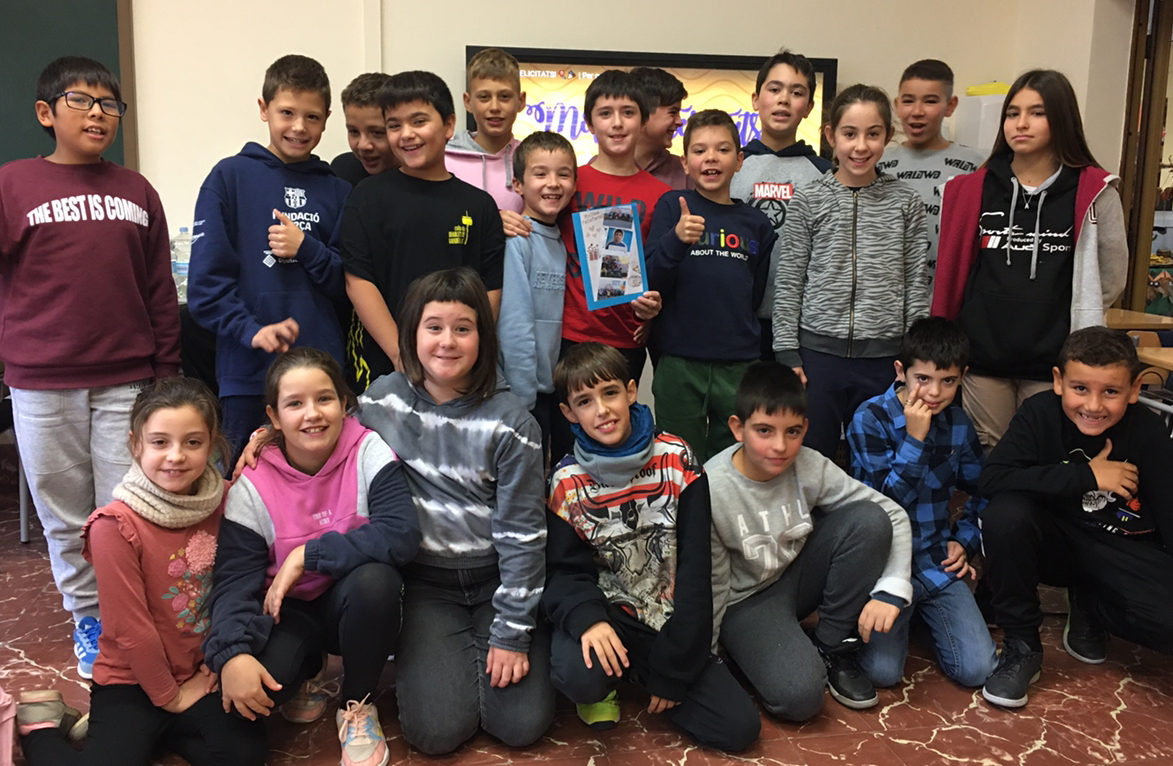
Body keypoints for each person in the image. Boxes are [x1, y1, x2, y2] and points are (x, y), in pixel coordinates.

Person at [0, 55, 181, 676]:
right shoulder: (14, 184)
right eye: (81, 101)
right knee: (65, 514)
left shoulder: (137, 191)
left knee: (126, 510)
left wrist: (166, 373)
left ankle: (133, 614)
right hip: (41, 381)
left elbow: (159, 287)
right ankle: (90, 618)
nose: (98, 114)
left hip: (127, 380)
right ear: (46, 112)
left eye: (109, 105)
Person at [16, 378, 267, 766]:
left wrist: (266, 440)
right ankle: (43, 725)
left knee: (245, 755)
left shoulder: (228, 499)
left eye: (193, 442)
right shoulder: (113, 526)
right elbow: (131, 630)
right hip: (132, 679)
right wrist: (172, 698)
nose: (175, 456)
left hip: (202, 672)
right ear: (136, 445)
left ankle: (158, 733)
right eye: (160, 442)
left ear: (213, 445)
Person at [356, 268, 554, 754]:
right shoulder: (382, 400)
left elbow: (524, 536)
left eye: (463, 328)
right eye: (434, 327)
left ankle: (503, 642)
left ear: (482, 338)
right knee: (436, 733)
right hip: (426, 585)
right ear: (412, 333)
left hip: (495, 580)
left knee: (521, 726)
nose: (447, 341)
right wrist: (269, 439)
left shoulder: (513, 424)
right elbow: (324, 438)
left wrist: (512, 632)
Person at [205, 348, 419, 766]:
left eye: (324, 398)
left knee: (378, 581)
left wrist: (309, 554)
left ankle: (357, 703)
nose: (312, 414)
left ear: (344, 403)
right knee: (258, 693)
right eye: (294, 404)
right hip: (287, 611)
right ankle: (307, 668)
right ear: (273, 415)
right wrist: (231, 654)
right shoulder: (252, 483)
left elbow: (401, 534)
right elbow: (233, 581)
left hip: (352, 602)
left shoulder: (367, 450)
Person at [544, 342, 760, 750]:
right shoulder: (565, 483)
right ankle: (610, 677)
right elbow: (563, 572)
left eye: (609, 393)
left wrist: (674, 670)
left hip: (669, 621)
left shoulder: (679, 460)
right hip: (611, 615)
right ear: (569, 414)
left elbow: (697, 568)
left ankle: (642, 671)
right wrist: (590, 620)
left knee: (739, 728)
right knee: (579, 675)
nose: (602, 410)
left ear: (630, 391)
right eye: (585, 401)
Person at [978, 327, 1173, 709]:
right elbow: (993, 478)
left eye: (1111, 392)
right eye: (1080, 388)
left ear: (1134, 389)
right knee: (1005, 515)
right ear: (1058, 381)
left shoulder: (1148, 430)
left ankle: (1092, 604)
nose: (1094, 405)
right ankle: (1022, 645)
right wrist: (1086, 476)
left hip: (1122, 545)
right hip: (1057, 542)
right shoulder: (1038, 414)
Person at [932, 69, 1128, 449]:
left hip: (1056, 361)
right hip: (984, 357)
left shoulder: (1095, 191)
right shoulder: (972, 188)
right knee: (989, 455)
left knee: (1044, 454)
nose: (1020, 124)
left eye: (1037, 113)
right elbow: (954, 271)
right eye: (1012, 113)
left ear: (1062, 119)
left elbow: (1111, 277)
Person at [708, 362, 912, 719]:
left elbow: (891, 513)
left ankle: (831, 646)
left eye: (792, 431)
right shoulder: (712, 487)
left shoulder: (809, 464)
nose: (780, 446)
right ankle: (753, 650)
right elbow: (710, 583)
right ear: (738, 428)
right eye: (764, 431)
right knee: (800, 698)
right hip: (744, 602)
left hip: (795, 576)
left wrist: (892, 588)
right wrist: (708, 659)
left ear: (804, 428)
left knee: (869, 519)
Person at [188, 54, 351, 455]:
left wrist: (307, 249)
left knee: (326, 481)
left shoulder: (338, 190)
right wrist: (251, 331)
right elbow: (205, 288)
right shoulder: (229, 178)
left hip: (322, 379)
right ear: (264, 109)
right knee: (248, 480)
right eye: (287, 113)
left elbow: (349, 285)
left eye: (312, 117)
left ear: (327, 119)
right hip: (249, 375)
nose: (299, 127)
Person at [507, 69, 665, 465]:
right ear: (589, 122)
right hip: (570, 335)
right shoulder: (571, 181)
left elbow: (659, 268)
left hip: (626, 337)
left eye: (628, 112)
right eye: (605, 113)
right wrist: (497, 217)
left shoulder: (660, 194)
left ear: (643, 120)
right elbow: (534, 219)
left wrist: (654, 309)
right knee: (567, 443)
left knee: (617, 437)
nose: (617, 123)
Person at [773, 83, 929, 458]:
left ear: (887, 136)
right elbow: (790, 279)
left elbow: (916, 283)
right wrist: (787, 352)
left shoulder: (906, 202)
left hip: (885, 358)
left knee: (877, 458)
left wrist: (915, 359)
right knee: (813, 456)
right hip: (818, 355)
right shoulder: (809, 198)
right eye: (849, 134)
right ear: (831, 136)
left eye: (872, 134)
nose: (860, 146)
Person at [847, 317, 997, 689]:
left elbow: (985, 488)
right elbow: (886, 505)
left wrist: (964, 541)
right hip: (883, 565)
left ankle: (924, 616)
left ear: (962, 377)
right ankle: (901, 614)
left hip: (934, 559)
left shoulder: (958, 423)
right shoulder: (870, 419)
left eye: (948, 381)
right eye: (923, 378)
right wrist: (915, 440)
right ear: (901, 371)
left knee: (978, 670)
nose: (934, 392)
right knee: (882, 674)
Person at [341, 70, 505, 392]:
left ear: (448, 125)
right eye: (394, 125)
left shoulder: (480, 205)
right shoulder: (367, 196)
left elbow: (489, 290)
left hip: (455, 368)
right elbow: (358, 280)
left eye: (418, 121)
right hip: (383, 368)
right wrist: (400, 354)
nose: (406, 134)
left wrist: (460, 351)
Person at [646, 109, 776, 461]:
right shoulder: (673, 206)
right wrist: (676, 239)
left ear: (740, 160)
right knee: (676, 458)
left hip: (738, 362)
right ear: (685, 163)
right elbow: (652, 280)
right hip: (678, 359)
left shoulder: (757, 223)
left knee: (734, 458)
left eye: (722, 149)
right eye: (700, 150)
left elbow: (755, 295)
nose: (711, 158)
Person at [731, 50, 833, 358]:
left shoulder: (826, 174)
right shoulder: (730, 166)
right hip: (736, 321)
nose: (784, 100)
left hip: (802, 326)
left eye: (797, 92)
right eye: (774, 89)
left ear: (809, 107)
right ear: (755, 99)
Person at [497, 131, 577, 461]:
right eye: (540, 173)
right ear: (518, 184)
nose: (553, 183)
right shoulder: (517, 240)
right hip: (523, 396)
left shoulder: (563, 239)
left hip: (552, 390)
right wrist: (523, 400)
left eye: (563, 174)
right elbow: (514, 324)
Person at [875, 60, 984, 294]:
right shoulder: (876, 163)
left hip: (946, 304)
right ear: (897, 105)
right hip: (883, 303)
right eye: (908, 101)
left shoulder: (974, 166)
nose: (917, 111)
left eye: (930, 101)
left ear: (950, 106)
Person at [446, 48, 526, 213]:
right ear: (468, 102)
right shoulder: (444, 160)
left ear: (520, 101)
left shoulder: (531, 160)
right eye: (484, 97)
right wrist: (492, 221)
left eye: (504, 96)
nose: (494, 107)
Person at [330, 72, 400, 187]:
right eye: (354, 131)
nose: (363, 146)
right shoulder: (342, 171)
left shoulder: (422, 180)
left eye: (377, 132)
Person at [630, 66, 691, 190]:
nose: (680, 122)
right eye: (673, 112)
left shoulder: (686, 172)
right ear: (643, 113)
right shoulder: (600, 168)